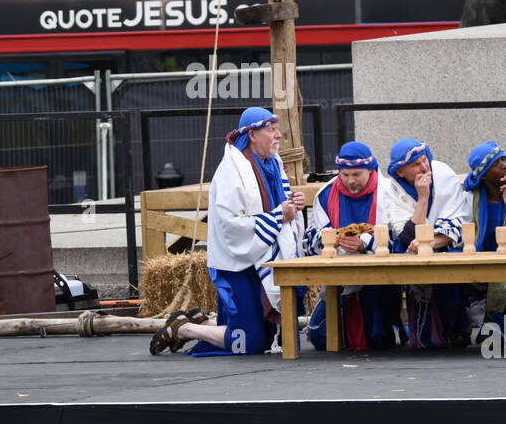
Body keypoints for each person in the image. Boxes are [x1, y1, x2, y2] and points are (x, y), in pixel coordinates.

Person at [150, 107, 305, 356]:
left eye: (277, 130)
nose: (278, 135)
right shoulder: (231, 172)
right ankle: (184, 329)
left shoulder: (274, 164)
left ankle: (202, 322)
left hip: (264, 257)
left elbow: (278, 204)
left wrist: (293, 203)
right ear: (252, 135)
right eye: (271, 130)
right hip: (238, 263)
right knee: (250, 342)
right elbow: (233, 226)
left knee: (271, 334)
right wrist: (280, 215)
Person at [303, 141, 403, 350]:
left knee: (377, 339)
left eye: (356, 174)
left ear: (370, 169)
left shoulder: (390, 192)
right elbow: (309, 241)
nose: (350, 181)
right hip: (339, 279)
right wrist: (331, 239)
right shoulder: (326, 194)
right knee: (319, 337)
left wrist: (365, 242)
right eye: (345, 174)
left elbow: (401, 240)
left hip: (381, 278)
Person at [380, 138, 464, 348]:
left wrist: (430, 242)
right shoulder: (392, 191)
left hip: (446, 246)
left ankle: (456, 330)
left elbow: (459, 221)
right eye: (416, 165)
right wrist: (423, 198)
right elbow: (406, 237)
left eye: (424, 160)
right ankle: (425, 334)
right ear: (401, 172)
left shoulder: (443, 174)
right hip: (410, 251)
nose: (424, 167)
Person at [452, 141, 506, 334]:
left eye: (505, 159)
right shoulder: (471, 197)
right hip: (479, 262)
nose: (505, 165)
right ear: (485, 174)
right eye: (497, 163)